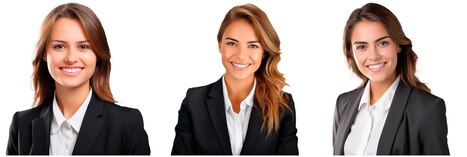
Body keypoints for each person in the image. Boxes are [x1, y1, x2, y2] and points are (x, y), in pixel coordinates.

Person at [6, 3, 150, 155]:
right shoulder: (21, 124)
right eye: (59, 46)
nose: (71, 58)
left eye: (83, 47)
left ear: (98, 54)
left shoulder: (126, 124)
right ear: (44, 53)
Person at [171, 3, 298, 155]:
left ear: (264, 51)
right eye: (232, 43)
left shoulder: (282, 105)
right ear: (220, 45)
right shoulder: (194, 102)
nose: (241, 55)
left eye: (253, 46)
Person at [333, 3, 449, 155]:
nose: (373, 56)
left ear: (398, 45)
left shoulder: (427, 109)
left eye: (383, 43)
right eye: (362, 47)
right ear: (351, 52)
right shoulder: (343, 104)